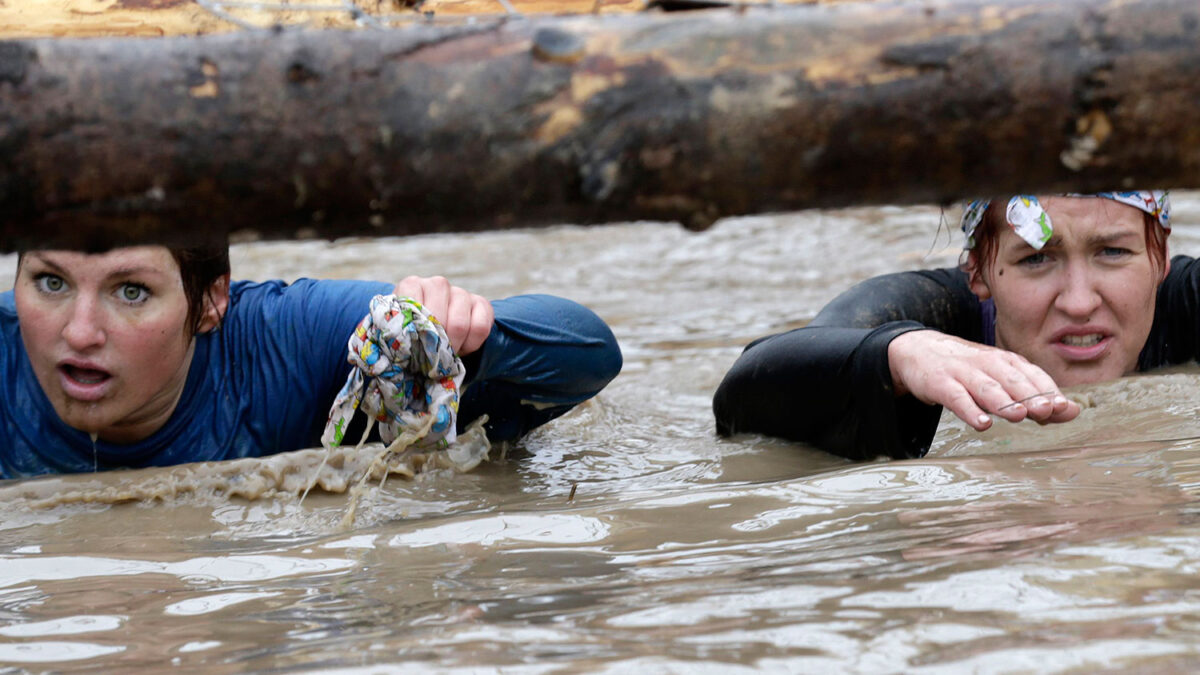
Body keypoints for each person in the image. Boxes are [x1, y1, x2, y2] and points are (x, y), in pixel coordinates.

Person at [0, 241, 622, 478]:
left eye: (130, 291)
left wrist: (462, 333)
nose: (79, 333)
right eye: (51, 283)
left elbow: (589, 353)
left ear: (211, 301)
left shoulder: (287, 338)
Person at [712, 191, 1190, 461]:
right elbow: (747, 388)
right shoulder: (928, 314)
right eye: (1037, 258)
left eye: (1113, 252)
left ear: (1161, 259)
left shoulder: (1185, 304)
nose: (1081, 302)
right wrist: (899, 355)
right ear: (979, 271)